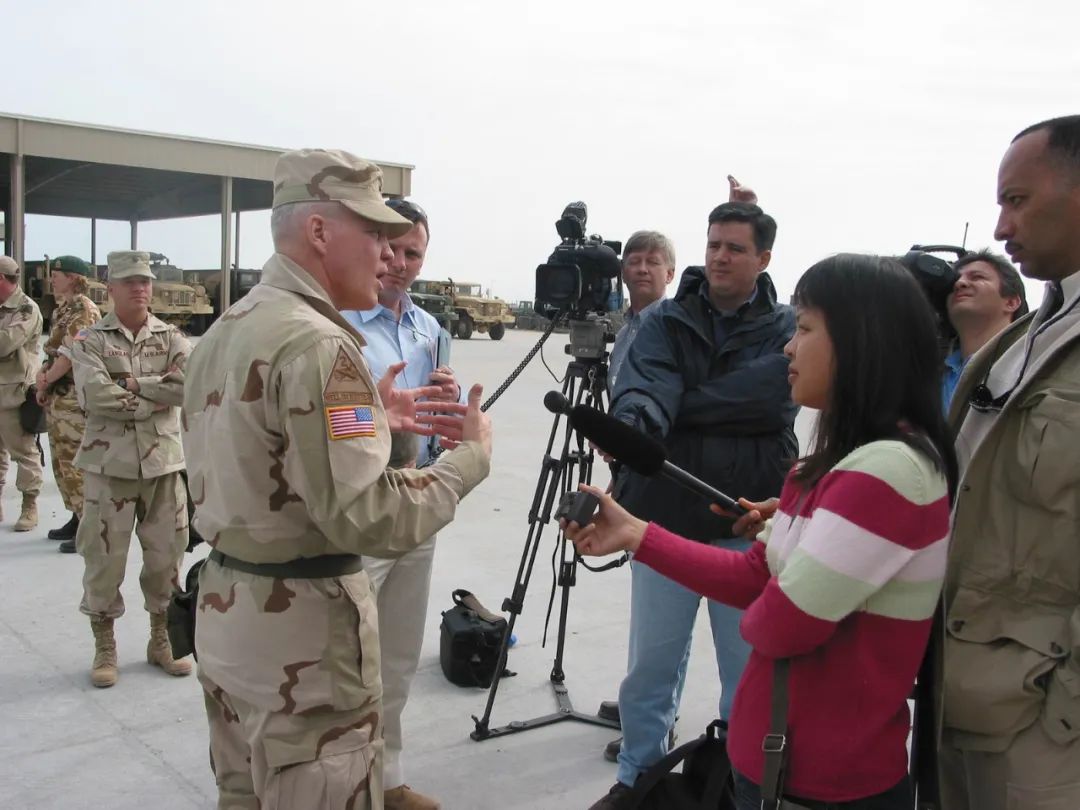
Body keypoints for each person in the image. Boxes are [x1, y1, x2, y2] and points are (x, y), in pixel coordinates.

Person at [568, 254, 955, 809]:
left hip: (822, 785)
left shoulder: (890, 473)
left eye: (804, 329)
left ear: (861, 343)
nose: (788, 349)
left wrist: (785, 556)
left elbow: (779, 625)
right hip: (773, 768)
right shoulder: (823, 467)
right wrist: (635, 534)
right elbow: (758, 574)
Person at [182, 149, 492, 810]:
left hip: (232, 622)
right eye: (375, 233)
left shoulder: (229, 326)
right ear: (320, 233)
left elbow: (259, 458)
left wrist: (374, 417)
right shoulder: (322, 348)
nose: (388, 254)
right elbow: (370, 517)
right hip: (303, 646)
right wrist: (467, 462)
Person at [591, 201, 797, 808]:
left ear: (763, 258)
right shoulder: (665, 321)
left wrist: (681, 400)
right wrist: (641, 421)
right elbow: (645, 390)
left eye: (735, 248)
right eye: (713, 245)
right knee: (650, 669)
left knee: (747, 674)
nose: (720, 257)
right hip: (661, 518)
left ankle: (737, 782)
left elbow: (771, 401)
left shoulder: (787, 327)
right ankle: (637, 778)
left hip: (747, 523)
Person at [939, 115, 1080, 809]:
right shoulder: (1031, 333)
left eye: (1017, 201)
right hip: (967, 695)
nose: (999, 228)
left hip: (1044, 729)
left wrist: (1063, 712)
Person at [340, 198, 464, 810]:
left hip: (414, 494)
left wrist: (449, 409)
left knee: (397, 653)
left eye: (414, 252)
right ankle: (338, 784)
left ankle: (386, 781)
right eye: (391, 249)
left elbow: (439, 421)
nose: (400, 263)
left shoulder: (430, 330)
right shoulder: (334, 324)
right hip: (358, 505)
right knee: (343, 654)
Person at [70, 250, 192, 688]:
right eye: (130, 281)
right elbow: (95, 396)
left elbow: (187, 387)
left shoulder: (174, 337)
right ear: (111, 288)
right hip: (110, 467)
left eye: (145, 280)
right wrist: (155, 399)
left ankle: (161, 640)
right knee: (104, 560)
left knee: (166, 559)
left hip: (162, 467)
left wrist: (134, 385)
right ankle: (105, 647)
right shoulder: (89, 341)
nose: (141, 287)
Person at [35, 255, 102, 550]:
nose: (53, 278)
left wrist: (47, 379)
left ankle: (87, 526)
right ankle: (76, 516)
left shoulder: (84, 310)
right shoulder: (63, 308)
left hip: (74, 397)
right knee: (61, 462)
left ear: (74, 277)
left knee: (75, 463)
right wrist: (42, 378)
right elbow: (53, 350)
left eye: (58, 274)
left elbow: (71, 354)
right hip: (58, 395)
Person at [940, 249, 1027, 411]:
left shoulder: (1031, 366)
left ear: (1011, 302)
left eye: (977, 277)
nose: (960, 283)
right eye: (955, 280)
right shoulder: (931, 376)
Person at [0, 255, 44, 532]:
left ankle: (30, 505)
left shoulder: (26, 308)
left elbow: (5, 343)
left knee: (24, 451)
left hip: (12, 391)